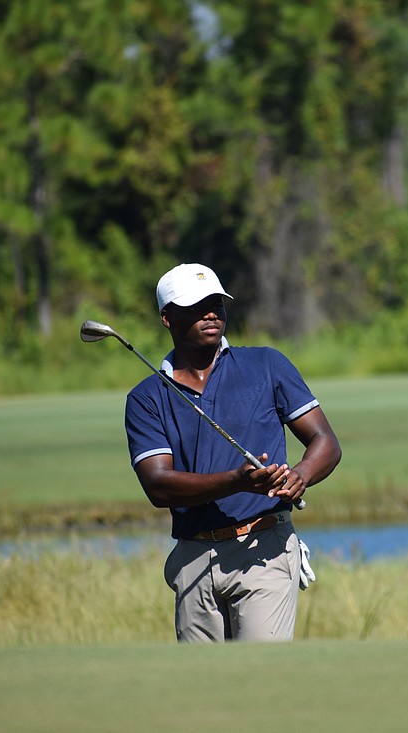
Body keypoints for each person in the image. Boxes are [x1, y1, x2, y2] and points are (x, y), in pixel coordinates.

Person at [124, 263, 342, 642]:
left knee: (260, 680)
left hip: (263, 550)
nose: (211, 313)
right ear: (167, 318)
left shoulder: (266, 365)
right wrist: (237, 481)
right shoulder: (147, 398)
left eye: (217, 304)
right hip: (193, 558)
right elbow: (158, 487)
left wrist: (301, 475)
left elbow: (325, 441)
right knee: (205, 689)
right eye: (196, 306)